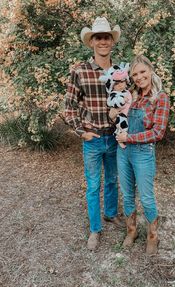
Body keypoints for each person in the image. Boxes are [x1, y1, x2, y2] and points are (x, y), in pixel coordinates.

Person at [64, 17, 124, 251]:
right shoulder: (80, 71)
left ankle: (110, 214)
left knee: (111, 180)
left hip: (115, 137)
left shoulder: (120, 72)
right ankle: (95, 229)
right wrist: (82, 132)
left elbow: (125, 103)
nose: (103, 41)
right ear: (91, 42)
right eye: (98, 37)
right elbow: (69, 107)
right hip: (93, 139)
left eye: (107, 37)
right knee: (92, 186)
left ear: (112, 41)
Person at [115, 55, 170, 255]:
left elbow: (158, 133)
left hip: (143, 153)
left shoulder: (160, 97)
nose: (139, 77)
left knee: (146, 198)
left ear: (151, 71)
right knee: (128, 195)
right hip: (123, 152)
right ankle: (131, 231)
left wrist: (128, 137)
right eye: (135, 74)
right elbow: (115, 114)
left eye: (142, 72)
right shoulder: (130, 95)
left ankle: (152, 236)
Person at [99, 63, 132, 148]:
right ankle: (120, 139)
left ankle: (122, 136)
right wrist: (122, 100)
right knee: (123, 126)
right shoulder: (114, 94)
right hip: (120, 115)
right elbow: (112, 102)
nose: (120, 85)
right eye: (117, 84)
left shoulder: (126, 91)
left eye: (122, 82)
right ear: (112, 86)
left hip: (127, 113)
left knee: (127, 126)